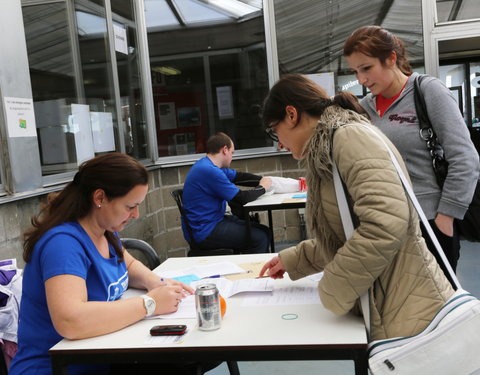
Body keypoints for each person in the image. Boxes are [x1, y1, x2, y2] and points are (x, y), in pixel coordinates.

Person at [259, 73, 454, 342]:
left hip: (410, 308)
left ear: (291, 114)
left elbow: (385, 226)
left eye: (274, 130)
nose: (279, 143)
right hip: (392, 301)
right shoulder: (329, 146)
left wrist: (333, 289)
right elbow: (348, 231)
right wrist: (295, 259)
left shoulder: (349, 138)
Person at [8, 153, 207, 375]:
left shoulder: (104, 232)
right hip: (56, 368)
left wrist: (156, 282)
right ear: (100, 198)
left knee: (186, 362)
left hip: (100, 358)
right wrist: (149, 304)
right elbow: (70, 320)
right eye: (130, 206)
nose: (136, 214)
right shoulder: (63, 245)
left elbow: (128, 266)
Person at [343, 25, 479, 277]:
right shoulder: (364, 109)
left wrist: (446, 217)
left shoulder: (427, 91)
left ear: (391, 58)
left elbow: (465, 157)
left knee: (436, 307)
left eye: (366, 68)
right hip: (385, 226)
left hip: (430, 223)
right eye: (355, 71)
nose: (361, 80)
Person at [182, 132, 272, 254]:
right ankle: (254, 271)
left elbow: (239, 177)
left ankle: (247, 266)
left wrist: (266, 180)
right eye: (232, 152)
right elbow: (241, 198)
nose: (232, 156)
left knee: (264, 231)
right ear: (225, 150)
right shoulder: (209, 171)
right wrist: (262, 188)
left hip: (214, 222)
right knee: (259, 238)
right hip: (206, 231)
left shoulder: (208, 165)